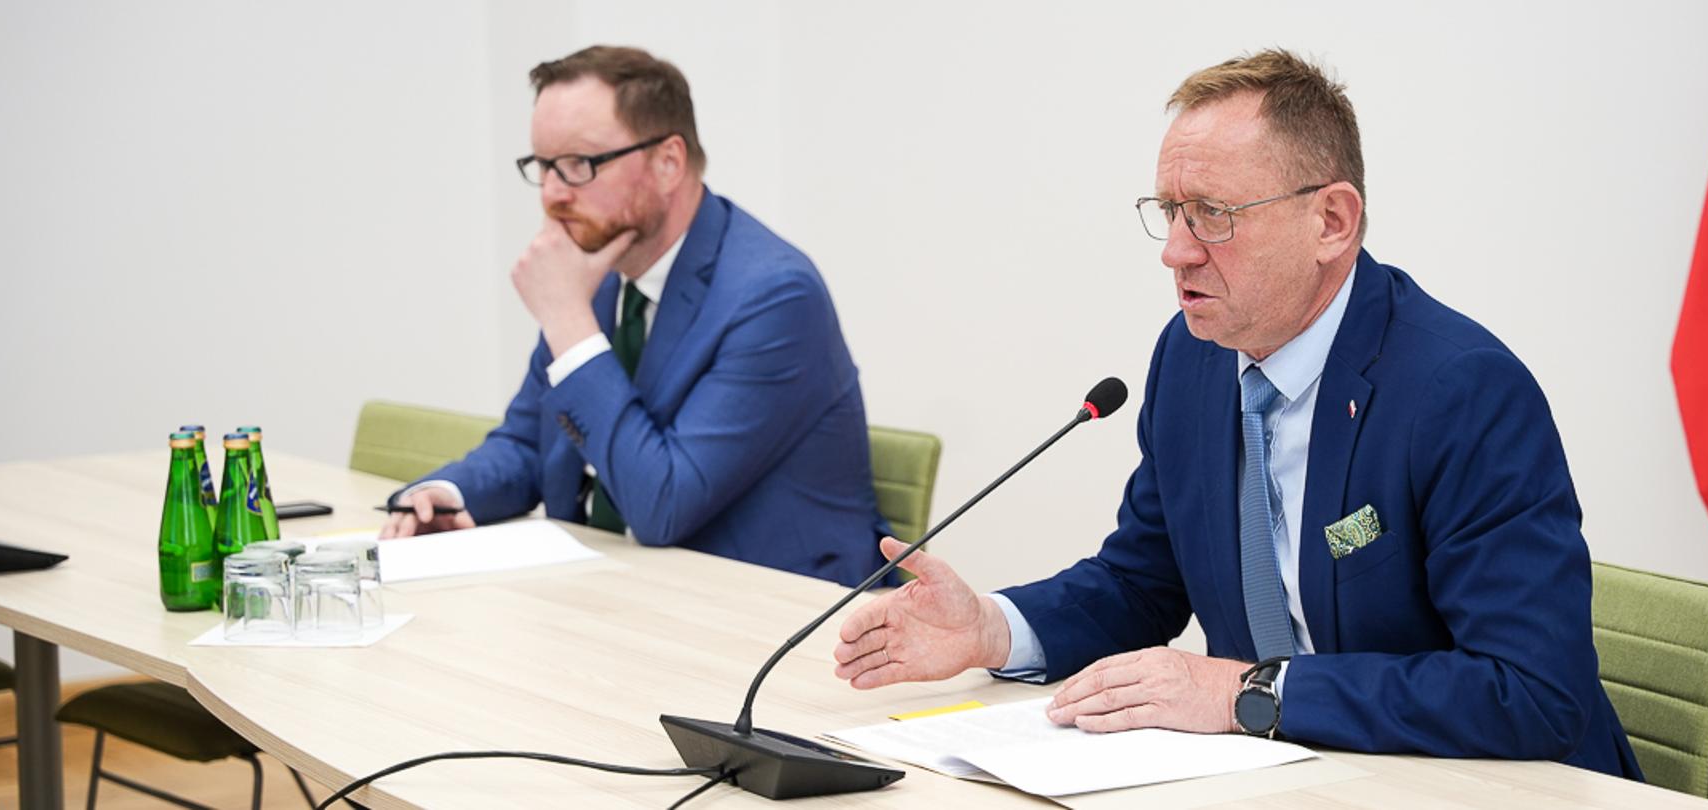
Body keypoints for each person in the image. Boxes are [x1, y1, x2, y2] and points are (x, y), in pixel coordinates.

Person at [831, 49, 1643, 778]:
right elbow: (1141, 582)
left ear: (1331, 221)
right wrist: (995, 631)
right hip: (1296, 778)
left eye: (1213, 214)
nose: (1176, 251)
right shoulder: (1192, 359)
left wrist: (1247, 693)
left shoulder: (1460, 392)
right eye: (1170, 210)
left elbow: (1531, 691)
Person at [381, 45, 886, 588]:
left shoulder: (775, 296)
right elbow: (532, 440)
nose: (552, 194)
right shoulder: (597, 275)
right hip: (624, 594)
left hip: (777, 619)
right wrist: (444, 494)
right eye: (543, 166)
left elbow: (663, 504)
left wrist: (568, 321)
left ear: (668, 162)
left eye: (580, 164)